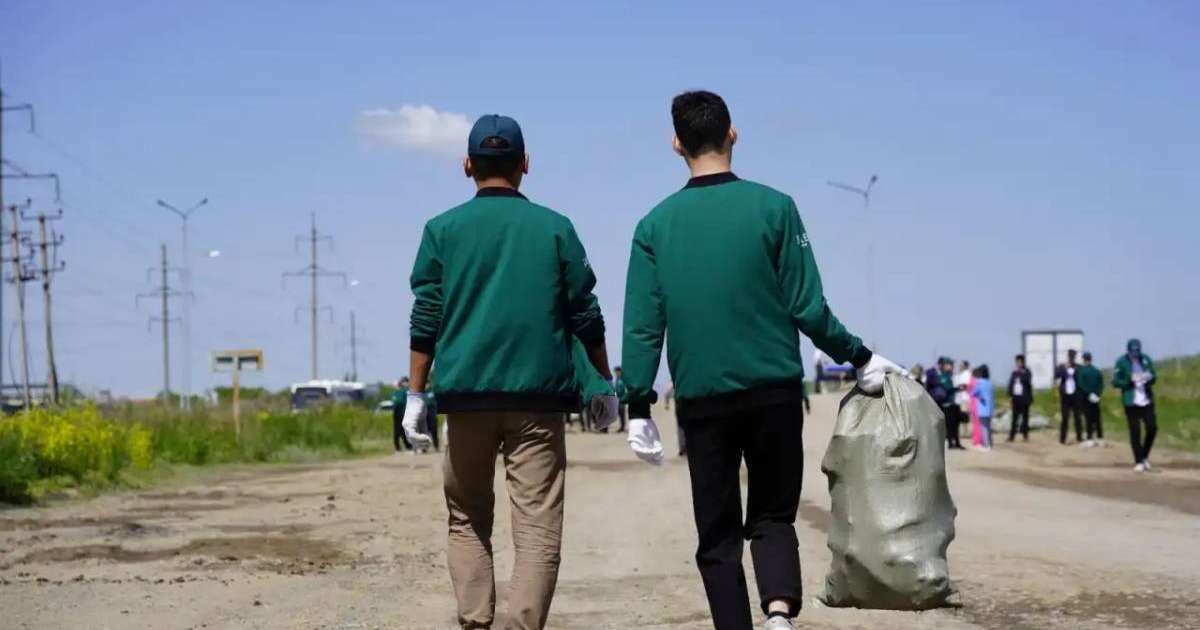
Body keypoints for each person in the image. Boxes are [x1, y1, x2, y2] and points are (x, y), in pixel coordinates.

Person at [620, 91, 904, 630]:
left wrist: (637, 403)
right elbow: (807, 306)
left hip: (703, 398)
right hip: (774, 390)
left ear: (675, 143)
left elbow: (643, 325)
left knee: (717, 531)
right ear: (733, 133)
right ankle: (778, 612)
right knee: (773, 513)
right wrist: (860, 357)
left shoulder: (653, 226)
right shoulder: (776, 207)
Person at [402, 114, 618, 630]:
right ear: (525, 165)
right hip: (537, 404)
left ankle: (476, 623)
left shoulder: (442, 230)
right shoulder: (555, 228)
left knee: (466, 519)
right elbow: (585, 313)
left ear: (467, 165)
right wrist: (604, 382)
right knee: (538, 527)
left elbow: (425, 316)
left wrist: (415, 394)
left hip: (465, 398)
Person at [1112, 339, 1157, 472]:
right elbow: (1115, 381)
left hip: (1146, 400)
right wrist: (1129, 380)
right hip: (1131, 401)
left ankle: (1144, 456)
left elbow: (1154, 375)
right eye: (1132, 351)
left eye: (1137, 351)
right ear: (1128, 351)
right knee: (1135, 431)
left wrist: (1149, 377)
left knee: (1152, 428)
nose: (1135, 354)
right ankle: (1138, 461)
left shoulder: (1146, 360)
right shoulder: (1121, 362)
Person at [927, 357, 962, 449]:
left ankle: (957, 442)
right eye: (949, 364)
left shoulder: (951, 376)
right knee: (949, 424)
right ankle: (951, 443)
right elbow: (946, 389)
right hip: (946, 404)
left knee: (955, 424)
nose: (951, 366)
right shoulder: (942, 377)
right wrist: (957, 389)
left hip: (953, 403)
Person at [1055, 349, 1085, 444]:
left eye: (1073, 356)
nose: (1071, 358)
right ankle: (1062, 438)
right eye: (1070, 356)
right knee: (1065, 418)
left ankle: (1079, 437)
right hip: (1065, 396)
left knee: (1077, 417)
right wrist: (1063, 368)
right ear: (1068, 357)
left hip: (1076, 395)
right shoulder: (1062, 366)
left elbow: (1082, 379)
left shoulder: (1079, 367)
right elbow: (1056, 376)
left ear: (1075, 357)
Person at [1077, 351, 1105, 447]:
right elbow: (1101, 384)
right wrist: (1097, 394)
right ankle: (1100, 438)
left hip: (1086, 397)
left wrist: (1089, 393)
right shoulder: (1097, 371)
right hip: (1096, 397)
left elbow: (1081, 384)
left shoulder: (1082, 371)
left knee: (1088, 417)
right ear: (1091, 359)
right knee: (1097, 417)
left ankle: (1090, 438)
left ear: (1084, 359)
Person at [1007, 355, 1034, 442]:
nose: (1018, 364)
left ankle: (1025, 436)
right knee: (1014, 419)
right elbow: (1010, 384)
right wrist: (1010, 395)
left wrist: (1021, 373)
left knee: (1025, 418)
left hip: (1025, 398)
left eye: (1019, 362)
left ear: (1023, 362)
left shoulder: (1027, 372)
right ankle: (1012, 436)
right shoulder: (1014, 373)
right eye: (1017, 362)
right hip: (1016, 398)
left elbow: (1027, 381)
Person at [955, 360, 981, 448]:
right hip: (960, 397)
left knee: (967, 416)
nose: (960, 367)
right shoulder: (960, 374)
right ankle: (964, 432)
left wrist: (960, 386)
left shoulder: (967, 374)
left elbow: (967, 385)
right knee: (962, 416)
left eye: (961, 365)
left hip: (966, 397)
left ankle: (968, 432)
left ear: (965, 366)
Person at [971, 365, 994, 451]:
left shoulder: (979, 383)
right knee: (988, 427)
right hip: (990, 409)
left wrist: (979, 396)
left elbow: (973, 393)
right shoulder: (990, 383)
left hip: (982, 409)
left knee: (983, 427)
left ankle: (986, 445)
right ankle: (990, 444)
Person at [391, 378, 414, 454]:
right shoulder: (394, 393)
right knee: (396, 432)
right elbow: (394, 402)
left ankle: (409, 447)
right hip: (396, 415)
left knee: (404, 431)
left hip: (403, 414)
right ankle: (398, 448)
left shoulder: (403, 392)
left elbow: (400, 401)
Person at [613, 366, 630, 433]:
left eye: (617, 372)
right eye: (615, 372)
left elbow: (621, 390)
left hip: (621, 399)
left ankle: (622, 427)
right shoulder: (617, 379)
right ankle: (622, 426)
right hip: (618, 399)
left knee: (622, 414)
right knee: (620, 414)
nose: (616, 373)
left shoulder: (621, 380)